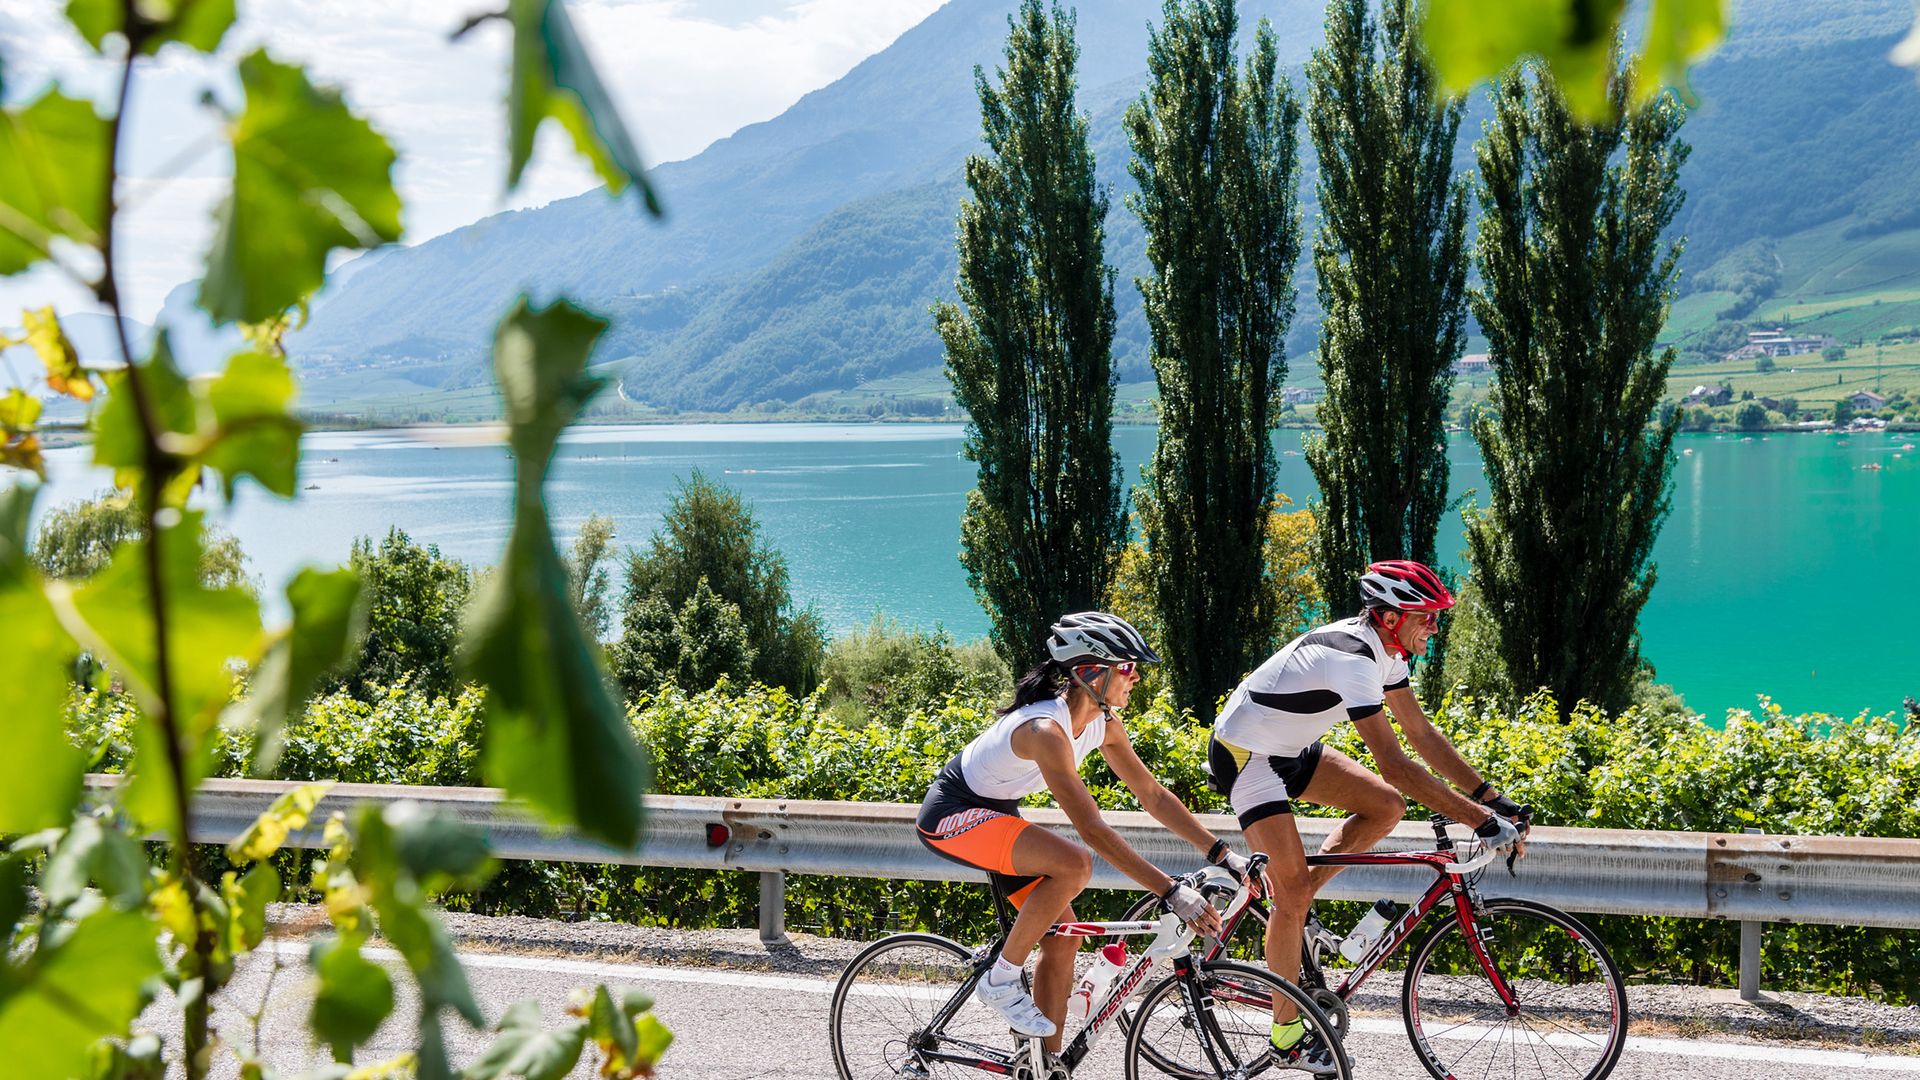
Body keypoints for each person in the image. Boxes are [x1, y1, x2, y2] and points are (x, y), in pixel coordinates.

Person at [1209, 560, 1527, 1062]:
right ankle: (1287, 1037)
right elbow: (1396, 763)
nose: (1435, 627)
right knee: (1291, 892)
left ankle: (1292, 910)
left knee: (1385, 807)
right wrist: (1480, 821)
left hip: (1290, 750)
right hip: (1246, 755)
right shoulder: (1353, 659)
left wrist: (1490, 796)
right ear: (1391, 616)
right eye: (1428, 616)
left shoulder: (1389, 653)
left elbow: (1422, 735)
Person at [916, 611, 1256, 1052]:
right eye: (1128, 668)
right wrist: (1169, 890)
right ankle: (1000, 979)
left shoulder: (1104, 724)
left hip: (996, 813)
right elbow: (1091, 829)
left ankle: (1042, 1063)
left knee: (1062, 938)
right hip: (952, 815)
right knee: (1075, 863)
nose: (1136, 678)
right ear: (1091, 672)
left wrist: (1221, 853)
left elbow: (1151, 795)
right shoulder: (1044, 729)